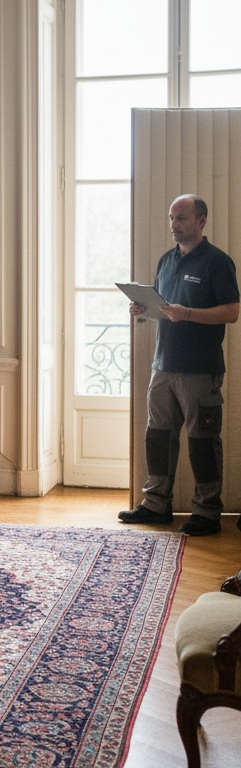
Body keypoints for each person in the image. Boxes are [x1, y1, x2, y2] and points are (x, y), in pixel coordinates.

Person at [118, 194, 239, 536]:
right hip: (163, 365)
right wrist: (142, 309)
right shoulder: (166, 261)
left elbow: (232, 312)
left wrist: (188, 314)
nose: (174, 224)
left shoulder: (217, 262)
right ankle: (156, 505)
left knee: (202, 441)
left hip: (200, 368)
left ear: (201, 221)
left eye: (181, 218)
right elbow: (162, 308)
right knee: (158, 436)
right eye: (172, 218)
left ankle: (207, 512)